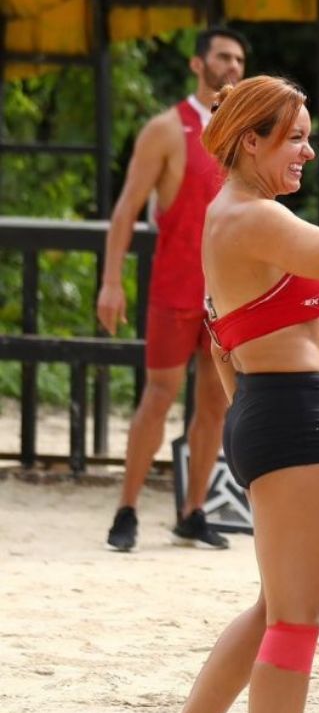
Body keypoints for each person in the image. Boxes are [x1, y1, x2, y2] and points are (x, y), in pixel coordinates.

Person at [131, 73, 319, 713]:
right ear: (251, 141)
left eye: (309, 138)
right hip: (289, 417)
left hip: (271, 408)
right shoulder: (248, 216)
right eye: (296, 139)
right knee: (297, 616)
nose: (308, 152)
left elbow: (221, 335)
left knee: (276, 605)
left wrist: (250, 405)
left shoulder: (237, 214)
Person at [99, 27, 247, 552]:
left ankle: (193, 511)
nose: (233, 66)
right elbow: (126, 209)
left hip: (227, 292)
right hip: (175, 286)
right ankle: (127, 509)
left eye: (239, 59)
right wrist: (111, 282)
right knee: (158, 396)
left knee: (215, 404)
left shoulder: (245, 132)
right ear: (198, 64)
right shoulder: (166, 129)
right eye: (223, 57)